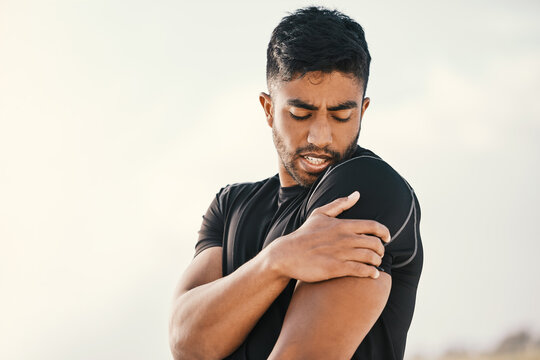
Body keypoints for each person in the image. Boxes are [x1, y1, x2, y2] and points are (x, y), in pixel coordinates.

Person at [169, 6, 423, 360]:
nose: (320, 136)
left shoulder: (366, 188)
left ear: (363, 111)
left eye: (341, 115)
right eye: (301, 114)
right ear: (269, 109)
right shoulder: (230, 206)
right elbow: (187, 341)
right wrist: (276, 260)